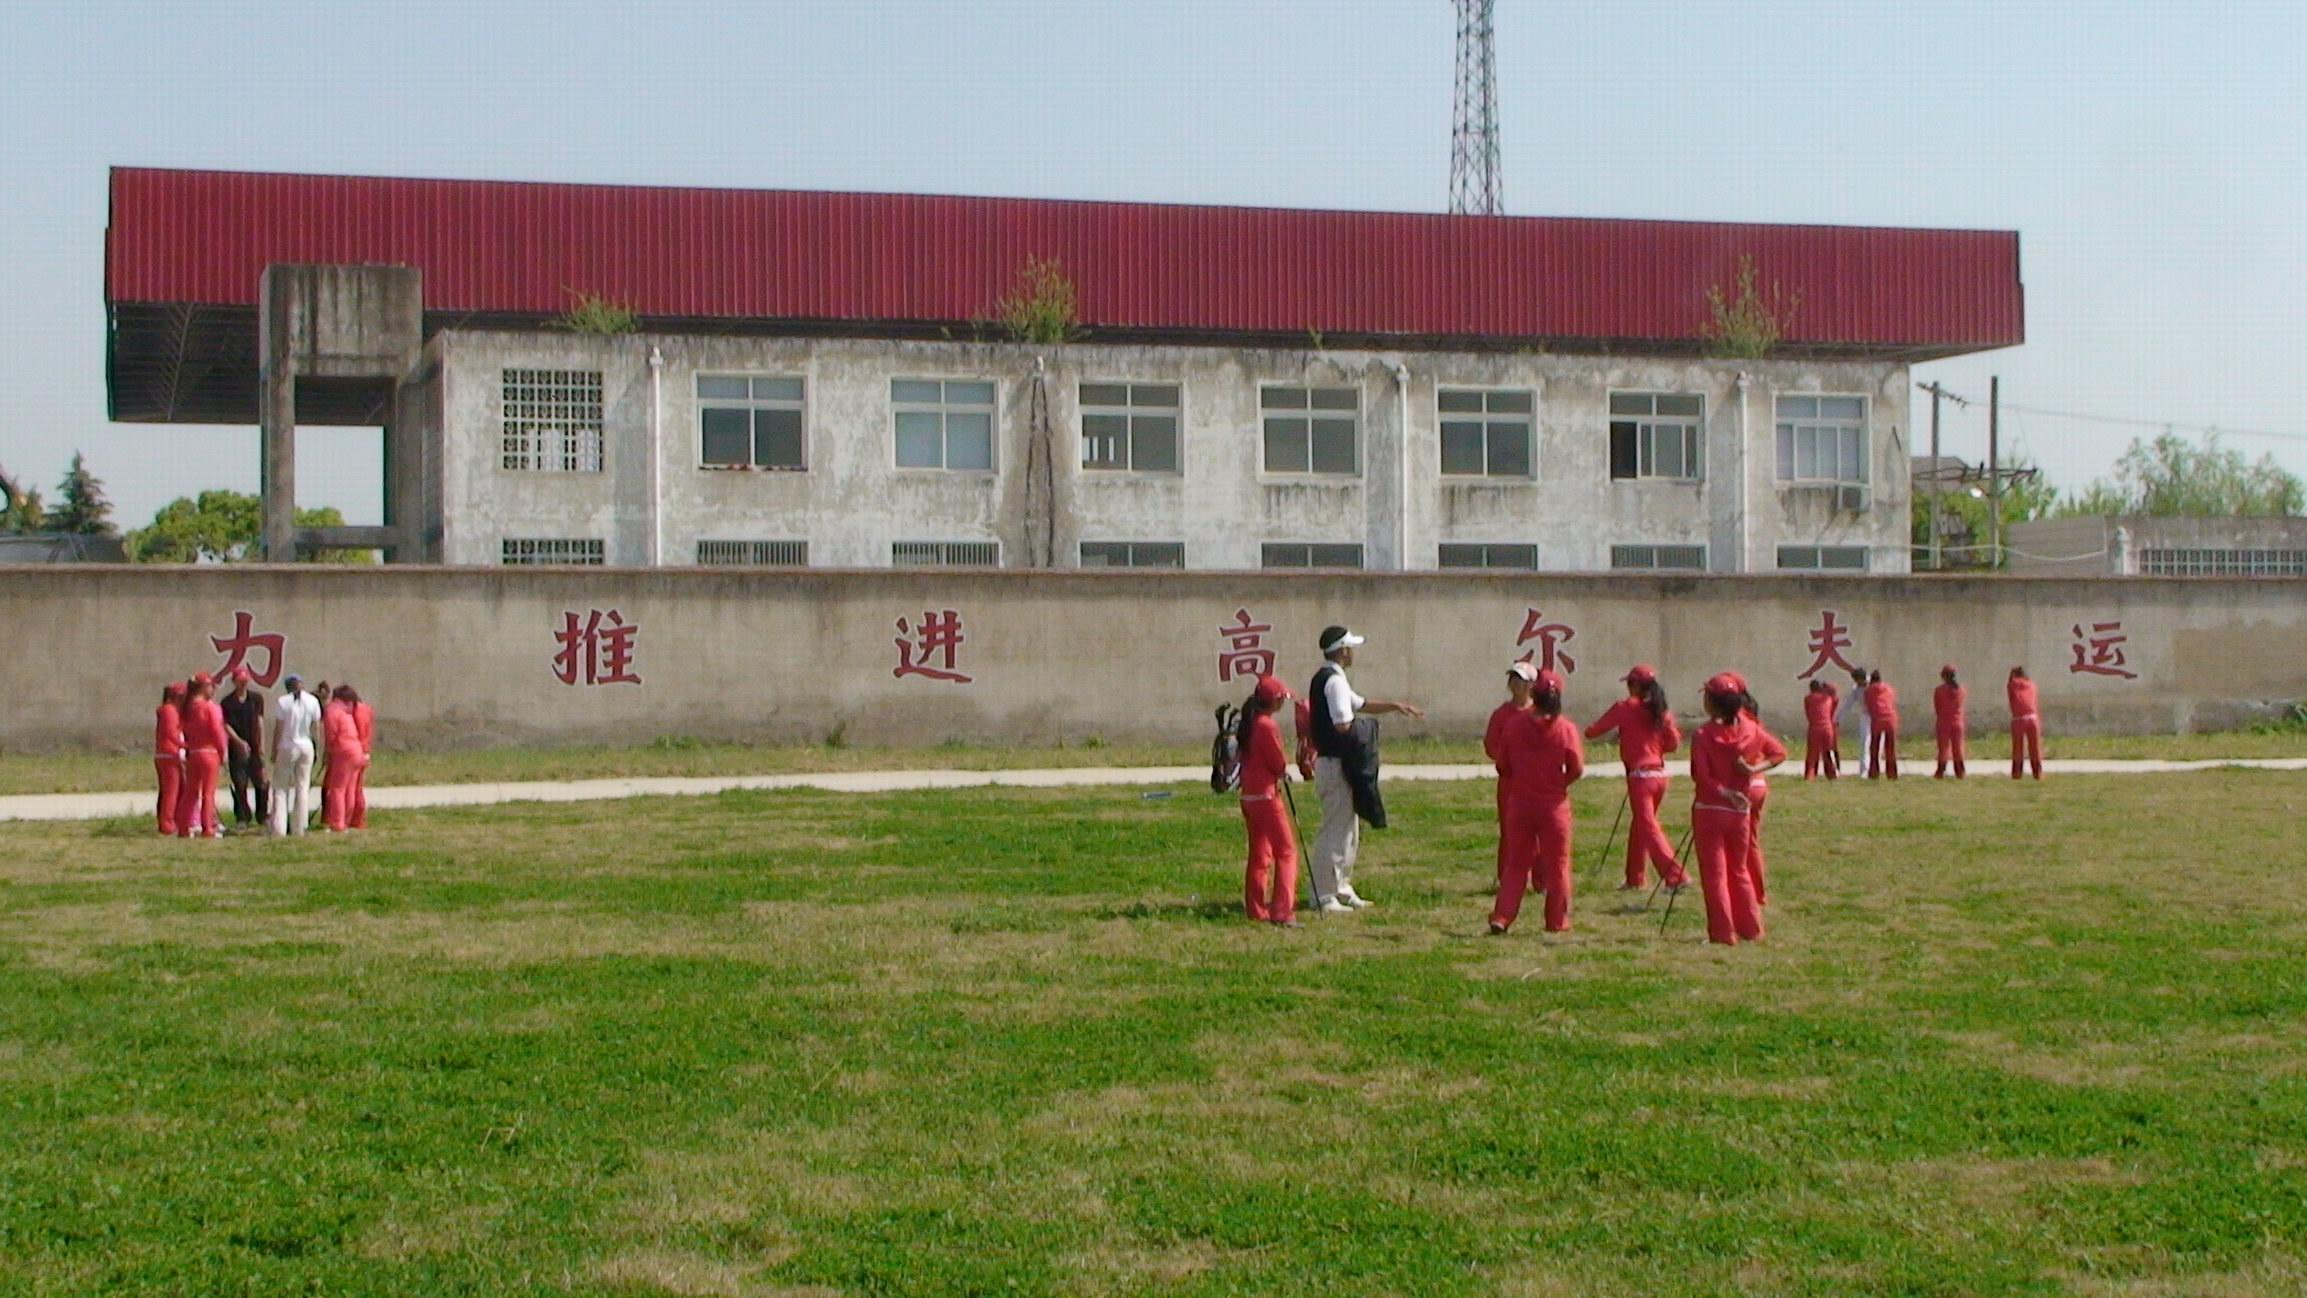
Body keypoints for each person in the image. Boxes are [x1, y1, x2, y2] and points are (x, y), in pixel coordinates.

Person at [1305, 626, 1423, 914]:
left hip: (1339, 763)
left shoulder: (1333, 678)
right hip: (1336, 764)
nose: (1353, 653)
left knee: (1349, 831)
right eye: (1350, 648)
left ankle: (1342, 887)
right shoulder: (1333, 682)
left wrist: (1395, 706)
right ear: (1343, 650)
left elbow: (1362, 704)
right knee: (1335, 831)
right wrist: (1367, 729)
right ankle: (1323, 894)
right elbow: (1343, 724)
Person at [1489, 669, 1584, 935]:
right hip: (1553, 805)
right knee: (1557, 865)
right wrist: (1560, 783)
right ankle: (1556, 920)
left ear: (1534, 693)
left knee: (1516, 864)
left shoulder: (1515, 724)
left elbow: (1502, 764)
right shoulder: (1565, 728)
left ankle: (1502, 916)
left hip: (1520, 803)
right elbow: (1576, 767)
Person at [1583, 663, 1687, 892]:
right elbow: (1673, 743)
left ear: (1636, 686)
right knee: (1641, 825)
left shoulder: (1625, 707)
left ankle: (1675, 876)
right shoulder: (1661, 711)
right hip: (1659, 775)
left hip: (1640, 777)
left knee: (1648, 827)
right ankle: (1635, 878)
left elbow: (1592, 731)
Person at [1689, 673, 1766, 946]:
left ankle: (1722, 932)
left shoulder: (1703, 734)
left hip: (1710, 809)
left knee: (1715, 875)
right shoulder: (1751, 729)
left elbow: (1701, 775)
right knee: (1739, 870)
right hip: (1740, 812)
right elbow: (1779, 753)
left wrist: (1724, 792)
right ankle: (1751, 928)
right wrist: (1754, 769)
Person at [1235, 675, 1301, 927]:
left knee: (1259, 853)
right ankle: (1282, 911)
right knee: (1286, 851)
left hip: (1249, 796)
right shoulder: (1267, 726)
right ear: (1274, 701)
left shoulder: (1249, 723)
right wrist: (1283, 771)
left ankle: (1255, 907)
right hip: (1266, 797)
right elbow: (1276, 761)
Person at [1483, 662, 1537, 889]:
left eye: (1521, 680)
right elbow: (1491, 745)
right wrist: (1509, 762)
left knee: (1538, 830)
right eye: (1513, 679)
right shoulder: (1501, 714)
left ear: (1532, 685)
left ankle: (1541, 879)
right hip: (1510, 781)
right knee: (1510, 830)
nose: (1515, 684)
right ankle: (1507, 877)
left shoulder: (1539, 713)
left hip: (1536, 782)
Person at [1737, 683, 1789, 909]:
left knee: (1736, 845)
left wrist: (1749, 769)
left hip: (1743, 788)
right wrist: (1757, 769)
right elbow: (1778, 753)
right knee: (1751, 842)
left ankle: (1744, 892)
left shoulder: (1738, 724)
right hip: (1759, 785)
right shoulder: (1756, 725)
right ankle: (1758, 893)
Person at [268, 674, 323, 836]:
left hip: (287, 746)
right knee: (302, 787)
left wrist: (274, 750)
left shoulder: (283, 702)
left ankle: (279, 827)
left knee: (280, 787)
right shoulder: (312, 701)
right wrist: (316, 747)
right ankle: (300, 826)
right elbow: (316, 727)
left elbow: (279, 728)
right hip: (306, 746)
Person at [177, 673, 227, 839]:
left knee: (190, 793)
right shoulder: (209, 708)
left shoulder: (187, 709)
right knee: (208, 793)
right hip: (209, 752)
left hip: (193, 752)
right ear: (204, 687)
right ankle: (208, 827)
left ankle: (183, 827)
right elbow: (217, 731)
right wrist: (223, 751)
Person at [219, 666, 269, 832]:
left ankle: (262, 815)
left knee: (261, 782)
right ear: (234, 682)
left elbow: (260, 722)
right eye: (240, 681)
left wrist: (261, 746)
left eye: (245, 681)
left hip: (254, 745)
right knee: (240, 783)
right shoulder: (227, 702)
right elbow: (226, 725)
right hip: (237, 747)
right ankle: (242, 816)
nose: (243, 684)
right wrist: (239, 742)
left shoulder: (256, 699)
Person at [321, 685, 364, 832]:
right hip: (356, 749)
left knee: (337, 788)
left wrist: (327, 752)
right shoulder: (347, 713)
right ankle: (346, 820)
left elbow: (331, 734)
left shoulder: (332, 710)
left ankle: (337, 823)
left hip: (343, 750)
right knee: (350, 788)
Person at [153, 682, 186, 836]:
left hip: (166, 754)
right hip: (169, 754)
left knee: (171, 790)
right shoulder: (169, 711)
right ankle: (167, 823)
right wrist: (184, 745)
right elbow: (171, 733)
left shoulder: (169, 710)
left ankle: (170, 820)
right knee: (171, 791)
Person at [346, 683, 376, 829]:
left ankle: (352, 818)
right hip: (365, 750)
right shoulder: (367, 710)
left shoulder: (352, 712)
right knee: (358, 787)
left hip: (355, 750)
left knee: (351, 788)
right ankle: (359, 819)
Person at [1862, 669, 1900, 780]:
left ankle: (1874, 772)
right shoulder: (1888, 688)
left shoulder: (1868, 691)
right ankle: (1892, 773)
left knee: (1874, 746)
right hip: (1891, 718)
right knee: (1890, 747)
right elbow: (1891, 701)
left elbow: (1868, 705)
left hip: (1878, 719)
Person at [1933, 664, 1969, 779]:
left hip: (1943, 722)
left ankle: (1940, 771)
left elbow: (1937, 707)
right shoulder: (1961, 690)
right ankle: (1960, 772)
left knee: (1943, 748)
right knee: (1958, 748)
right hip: (1957, 722)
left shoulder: (1939, 691)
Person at [2008, 665, 2043, 780]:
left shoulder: (2012, 684)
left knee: (2018, 748)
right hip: (2033, 717)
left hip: (2019, 718)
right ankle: (2037, 773)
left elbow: (2011, 696)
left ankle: (2017, 773)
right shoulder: (2031, 684)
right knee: (2035, 747)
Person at [1837, 665, 1872, 777]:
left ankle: (1874, 768)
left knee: (1878, 743)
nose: (1857, 683)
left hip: (1878, 715)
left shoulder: (1873, 683)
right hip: (1866, 716)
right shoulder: (1856, 689)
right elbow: (1847, 704)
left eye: (1858, 680)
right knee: (1864, 742)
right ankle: (1864, 770)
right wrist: (1838, 718)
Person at [1801, 680, 1838, 780]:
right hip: (1827, 727)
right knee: (1828, 752)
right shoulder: (1828, 698)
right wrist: (1828, 687)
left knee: (1812, 754)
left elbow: (1808, 714)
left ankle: (1810, 775)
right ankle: (1832, 774)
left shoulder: (1808, 699)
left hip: (1814, 727)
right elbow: (1835, 699)